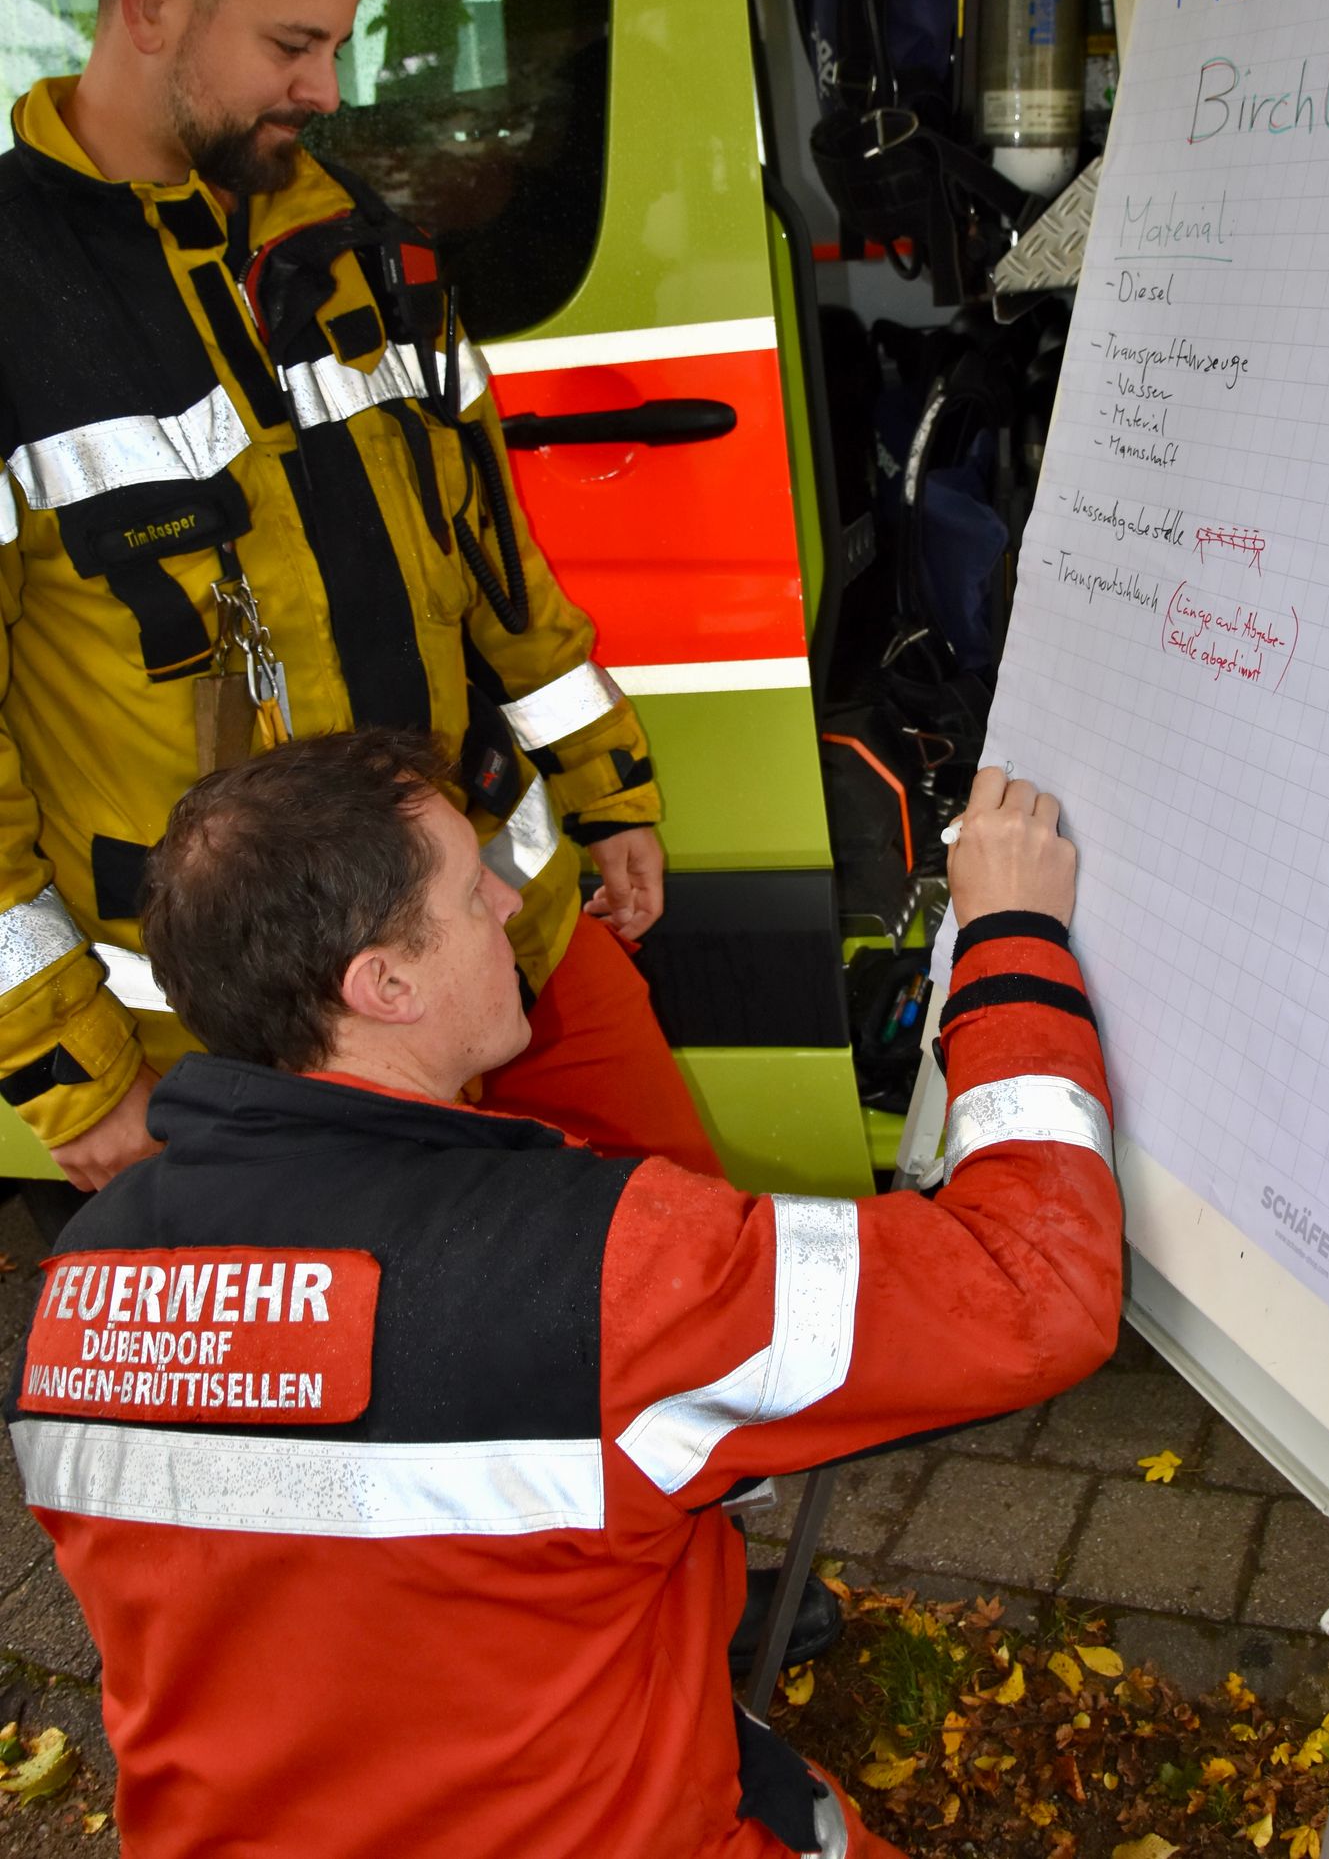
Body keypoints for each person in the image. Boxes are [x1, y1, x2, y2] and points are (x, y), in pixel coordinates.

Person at [5, 737, 1121, 1858]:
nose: (508, 896)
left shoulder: (78, 1296)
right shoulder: (596, 1264)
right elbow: (1034, 1288)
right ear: (382, 985)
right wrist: (1011, 941)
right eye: (466, 884)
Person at [0, 0, 716, 1196]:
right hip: (244, 1031)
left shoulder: (355, 245)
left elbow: (493, 559)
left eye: (339, 42)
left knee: (681, 1260)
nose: (327, 87)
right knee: (401, 1379)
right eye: (291, 45)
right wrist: (69, 1071)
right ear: (153, 5)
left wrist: (604, 784)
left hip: (509, 936)